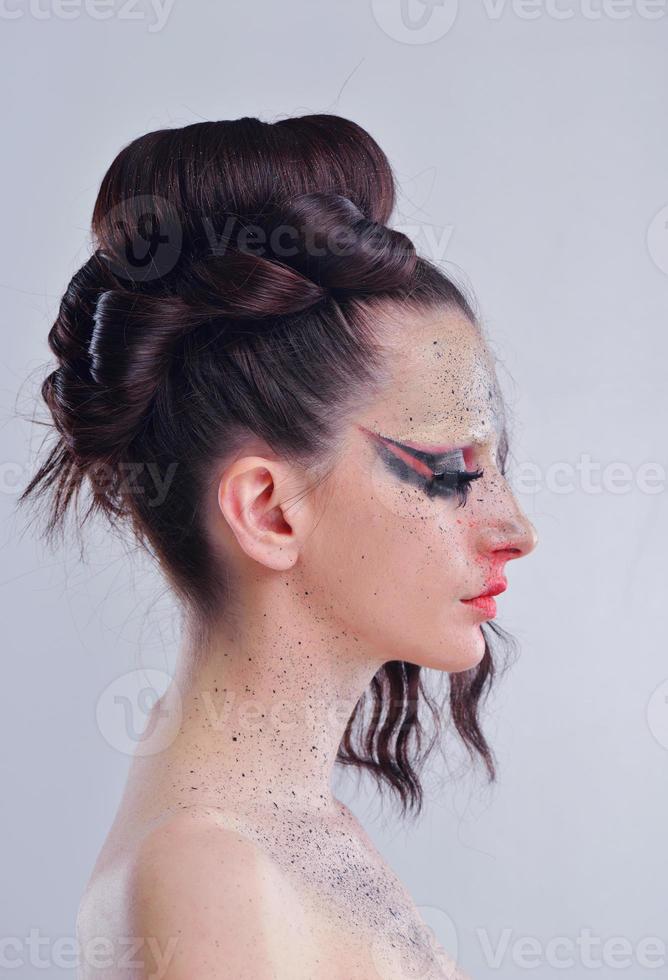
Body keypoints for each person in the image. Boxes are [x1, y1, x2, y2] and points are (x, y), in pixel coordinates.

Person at [22, 113, 538, 979]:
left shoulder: (275, 820)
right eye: (452, 468)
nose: (516, 529)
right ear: (267, 510)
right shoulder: (209, 876)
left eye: (498, 465)